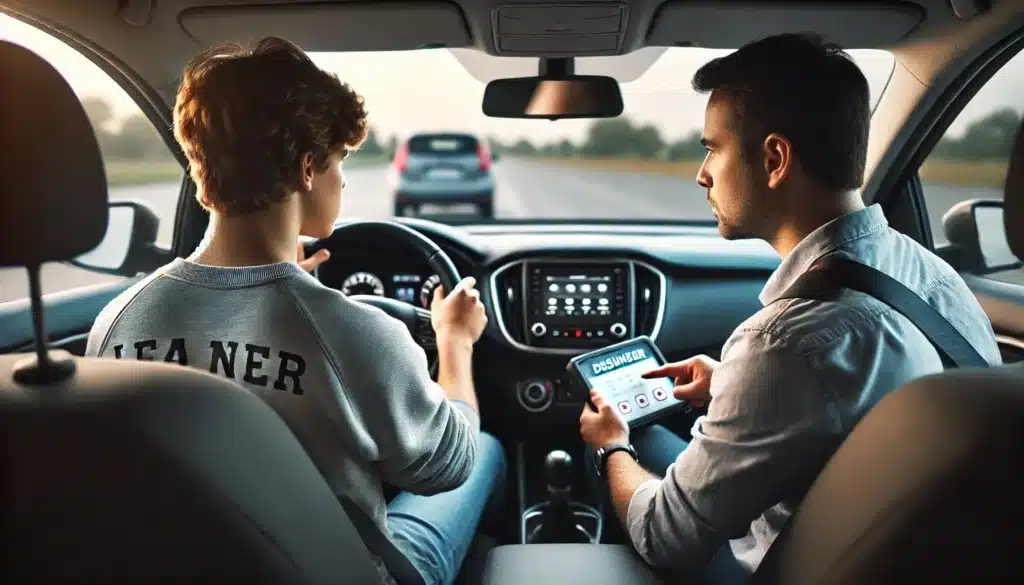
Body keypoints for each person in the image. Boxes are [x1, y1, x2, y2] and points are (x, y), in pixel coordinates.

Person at [578, 32, 1002, 585]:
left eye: (713, 148)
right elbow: (842, 403)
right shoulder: (929, 273)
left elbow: (665, 538)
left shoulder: (784, 341)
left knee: (630, 443)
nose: (701, 173)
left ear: (775, 158)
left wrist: (609, 447)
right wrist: (733, 382)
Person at [85, 37, 506, 585]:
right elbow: (449, 463)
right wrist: (455, 342)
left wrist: (283, 288)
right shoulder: (354, 331)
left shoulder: (118, 320)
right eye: (339, 162)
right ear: (308, 168)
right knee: (487, 447)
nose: (344, 180)